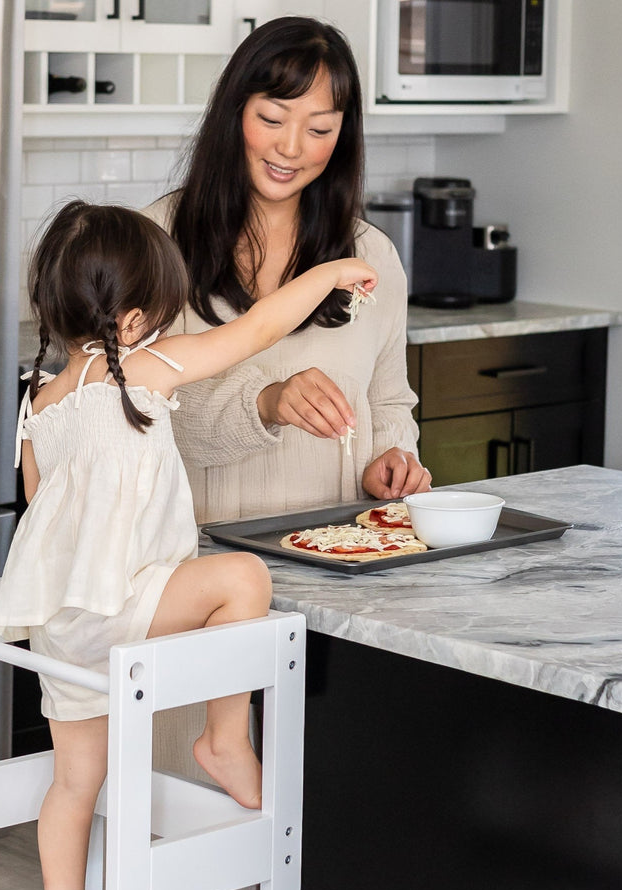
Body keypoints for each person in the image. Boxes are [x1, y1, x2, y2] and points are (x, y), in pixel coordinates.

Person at [0, 199, 377, 890]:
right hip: (123, 608)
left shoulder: (39, 402)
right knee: (241, 576)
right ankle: (224, 737)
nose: (171, 333)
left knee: (73, 786)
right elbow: (255, 332)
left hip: (64, 631)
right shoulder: (139, 370)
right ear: (133, 323)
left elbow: (39, 504)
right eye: (164, 318)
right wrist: (331, 271)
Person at [144, 16, 432, 524]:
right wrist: (267, 402)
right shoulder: (156, 241)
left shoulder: (372, 255)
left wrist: (391, 460)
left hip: (339, 551)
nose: (292, 148)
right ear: (234, 114)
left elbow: (388, 403)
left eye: (319, 128)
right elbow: (136, 415)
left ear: (342, 135)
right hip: (201, 566)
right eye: (273, 119)